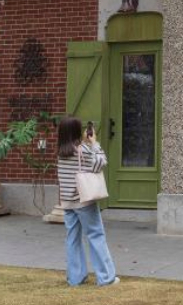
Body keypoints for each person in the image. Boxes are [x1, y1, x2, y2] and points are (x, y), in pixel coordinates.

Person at [56, 116, 118, 287]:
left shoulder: (61, 152)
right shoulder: (83, 149)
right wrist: (94, 143)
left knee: (72, 239)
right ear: (77, 131)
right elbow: (100, 163)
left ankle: (75, 278)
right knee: (96, 235)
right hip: (84, 202)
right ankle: (106, 278)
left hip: (67, 203)